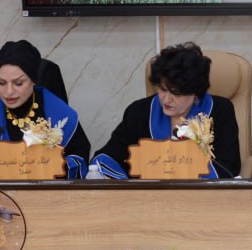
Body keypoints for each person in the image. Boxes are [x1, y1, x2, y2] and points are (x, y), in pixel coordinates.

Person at [91, 43, 242, 180]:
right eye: (163, 89)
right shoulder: (139, 112)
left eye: (176, 93)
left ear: (195, 92)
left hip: (200, 196)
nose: (166, 99)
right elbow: (108, 158)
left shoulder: (220, 111)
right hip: (146, 197)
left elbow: (228, 166)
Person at [0, 40, 90, 180]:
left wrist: (50, 165)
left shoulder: (59, 113)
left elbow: (79, 161)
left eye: (18, 83)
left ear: (33, 80)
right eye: (1, 83)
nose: (9, 91)